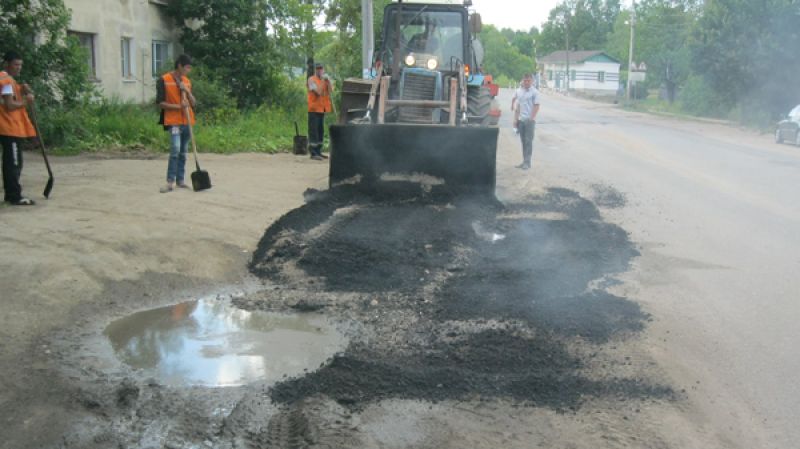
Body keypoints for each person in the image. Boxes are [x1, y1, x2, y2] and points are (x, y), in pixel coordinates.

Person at [0, 51, 37, 206]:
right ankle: (14, 195)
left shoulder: (8, 81)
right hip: (9, 127)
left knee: (12, 162)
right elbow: (9, 105)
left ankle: (12, 193)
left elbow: (8, 96)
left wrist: (21, 89)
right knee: (13, 163)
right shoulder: (6, 81)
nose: (18, 68)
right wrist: (27, 101)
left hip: (7, 127)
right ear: (6, 64)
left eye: (20, 65)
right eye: (16, 64)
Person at [156, 54, 196, 193]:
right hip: (174, 122)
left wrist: (187, 91)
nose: (188, 70)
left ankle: (180, 180)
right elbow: (160, 103)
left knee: (183, 153)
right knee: (175, 150)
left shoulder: (187, 81)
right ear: (179, 65)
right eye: (187, 67)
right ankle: (170, 182)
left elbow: (194, 103)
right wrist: (179, 107)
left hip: (187, 121)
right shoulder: (164, 80)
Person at [513, 73, 540, 170]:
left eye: (528, 80)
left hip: (529, 121)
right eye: (525, 80)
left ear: (532, 81)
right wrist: (515, 120)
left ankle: (527, 163)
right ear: (522, 81)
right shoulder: (520, 92)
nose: (526, 82)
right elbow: (518, 106)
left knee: (528, 142)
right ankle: (524, 161)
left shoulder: (535, 92)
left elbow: (536, 106)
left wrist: (531, 118)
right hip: (521, 120)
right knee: (523, 141)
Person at [307, 63, 333, 160]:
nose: (319, 70)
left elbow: (330, 91)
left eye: (321, 69)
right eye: (318, 69)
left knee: (320, 131)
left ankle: (319, 151)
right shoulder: (311, 80)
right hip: (313, 109)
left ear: (323, 69)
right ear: (315, 70)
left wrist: (328, 81)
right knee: (313, 131)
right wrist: (323, 81)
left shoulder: (325, 80)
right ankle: (313, 153)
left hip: (322, 109)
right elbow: (317, 92)